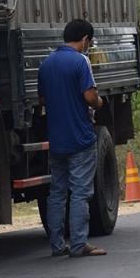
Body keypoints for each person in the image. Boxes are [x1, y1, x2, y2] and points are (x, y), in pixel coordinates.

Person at [38, 18, 107, 258]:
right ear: (85, 39)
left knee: (57, 192)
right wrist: (99, 103)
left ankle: (57, 246)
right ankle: (79, 244)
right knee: (80, 192)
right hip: (80, 138)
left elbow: (43, 101)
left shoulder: (46, 64)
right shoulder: (81, 61)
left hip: (57, 140)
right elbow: (90, 97)